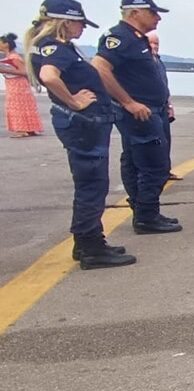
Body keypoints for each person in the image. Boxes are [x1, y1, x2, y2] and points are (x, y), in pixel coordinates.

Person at [26, 0, 135, 269]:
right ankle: (91, 247)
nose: (82, 29)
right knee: (92, 186)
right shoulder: (57, 48)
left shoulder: (47, 46)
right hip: (84, 125)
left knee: (89, 184)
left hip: (81, 124)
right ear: (65, 21)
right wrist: (74, 102)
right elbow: (49, 76)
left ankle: (87, 241)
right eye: (79, 23)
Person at [92, 0, 181, 234]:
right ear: (134, 12)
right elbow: (100, 67)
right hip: (141, 114)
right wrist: (128, 102)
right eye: (152, 13)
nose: (157, 18)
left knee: (138, 161)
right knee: (155, 165)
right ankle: (146, 216)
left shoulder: (136, 38)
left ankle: (146, 212)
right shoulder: (120, 37)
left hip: (154, 110)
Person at [145, 30, 180, 180]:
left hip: (162, 107)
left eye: (156, 43)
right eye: (151, 43)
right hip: (149, 108)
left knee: (166, 139)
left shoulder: (158, 62)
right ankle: (155, 172)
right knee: (154, 141)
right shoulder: (143, 63)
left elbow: (164, 85)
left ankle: (165, 170)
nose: (154, 46)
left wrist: (169, 105)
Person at [1, 33, 43, 137]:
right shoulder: (12, 56)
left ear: (6, 44)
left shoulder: (14, 57)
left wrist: (4, 70)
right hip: (14, 84)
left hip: (17, 85)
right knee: (24, 106)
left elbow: (25, 72)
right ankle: (29, 129)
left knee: (17, 106)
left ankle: (22, 129)